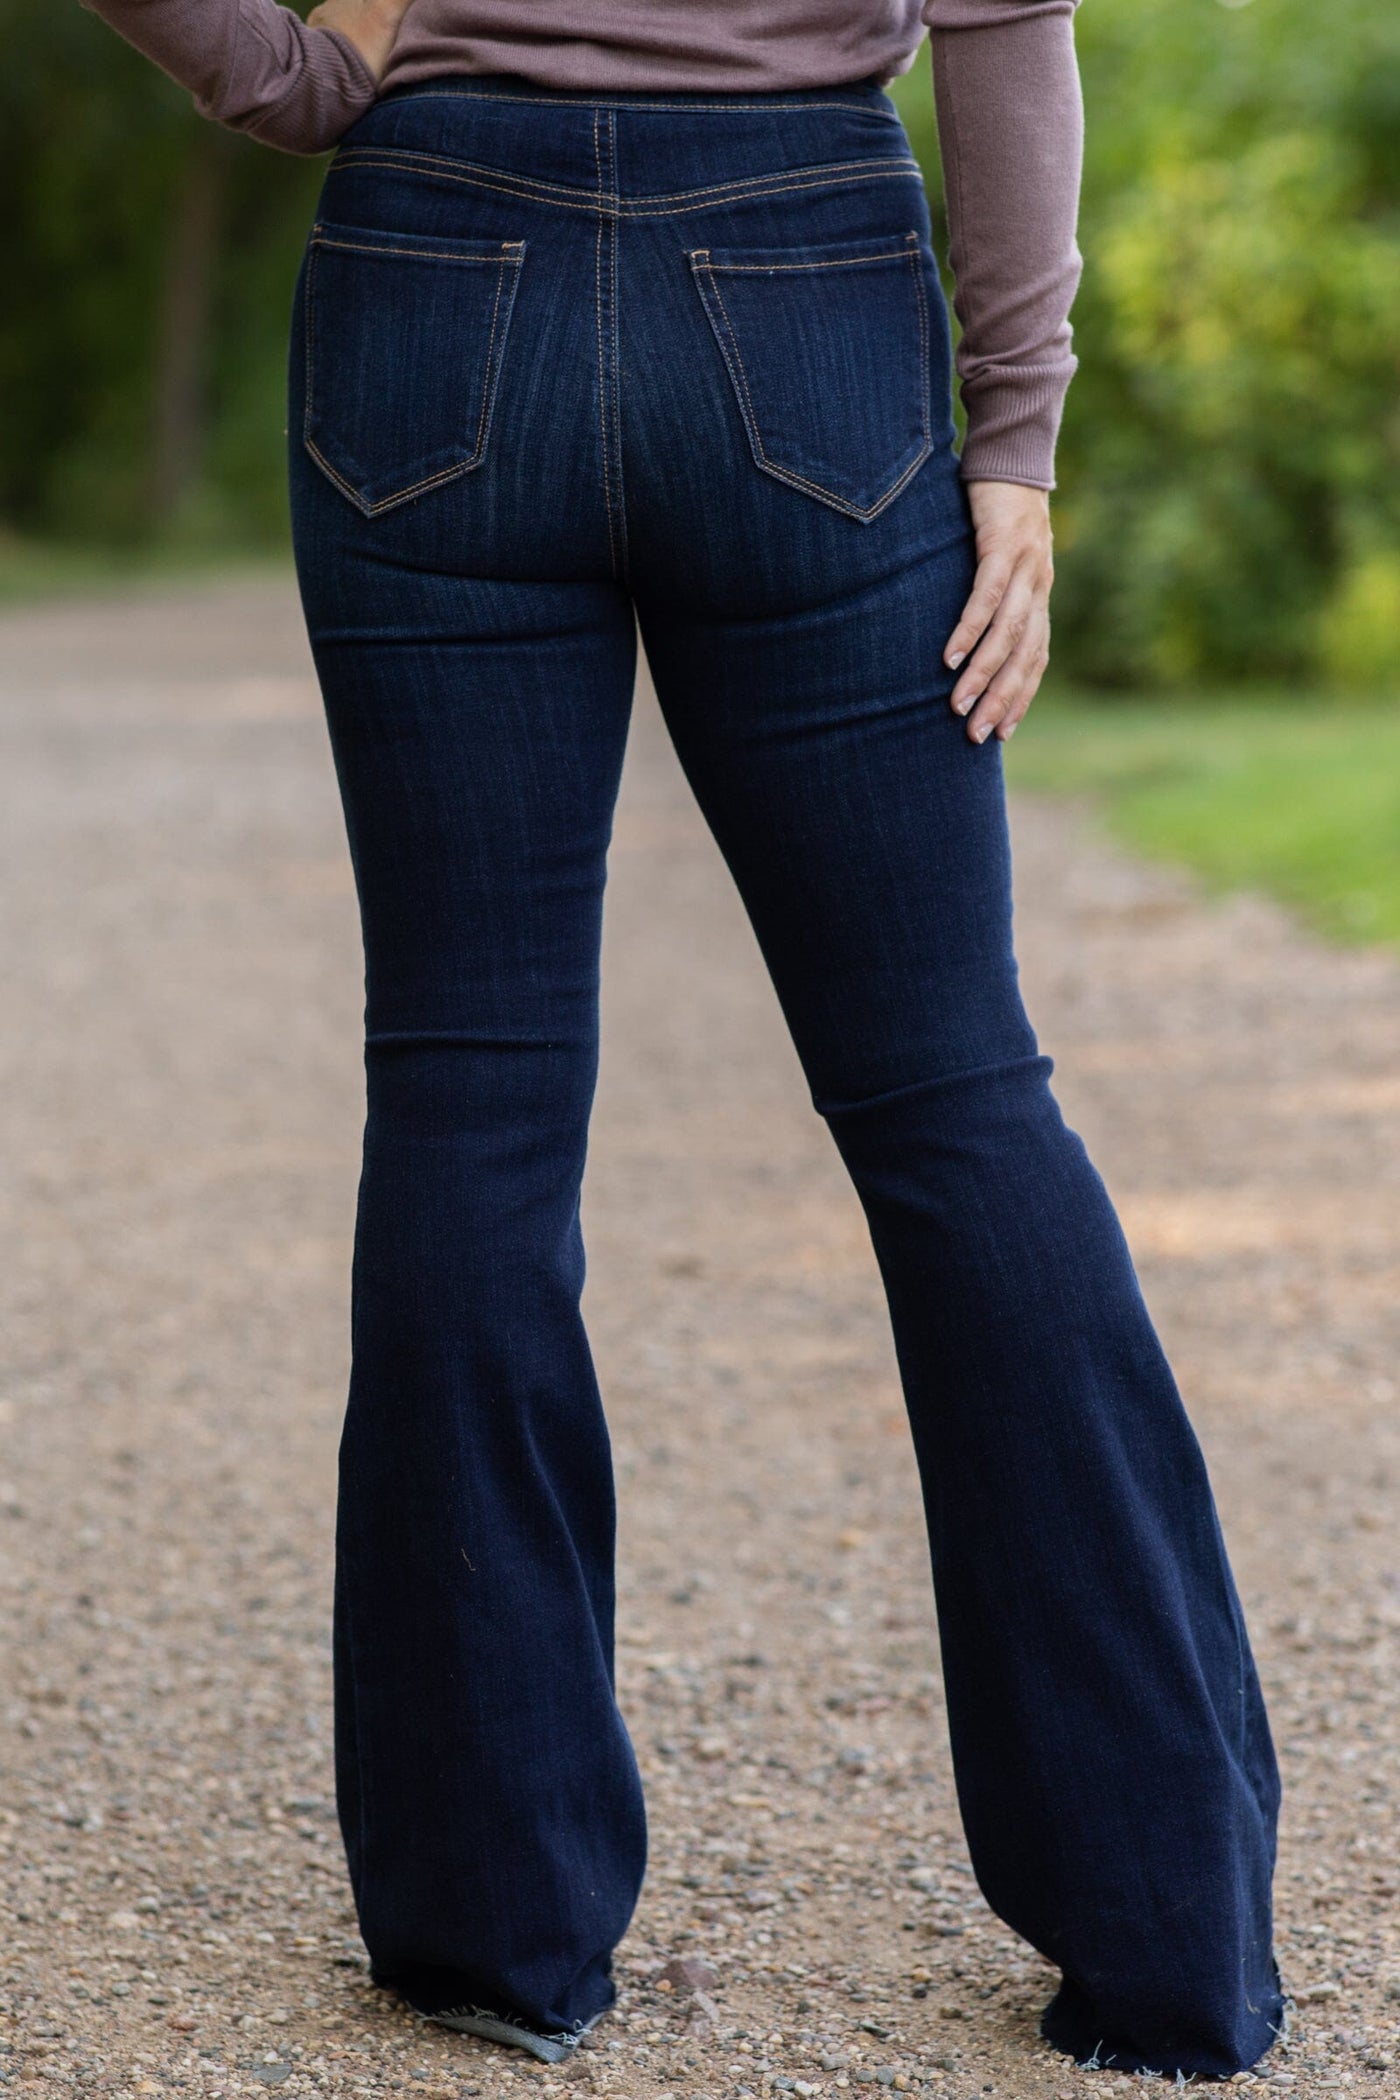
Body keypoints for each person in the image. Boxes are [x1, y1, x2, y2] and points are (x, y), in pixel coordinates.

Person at [78, 0, 1286, 2079]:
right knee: (955, 1100)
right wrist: (1015, 436)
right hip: (805, 281)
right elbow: (1003, 12)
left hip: (434, 269)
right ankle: (1165, 1929)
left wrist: (284, 65)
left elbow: (262, 50)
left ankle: (493, 1929)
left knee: (466, 1095)